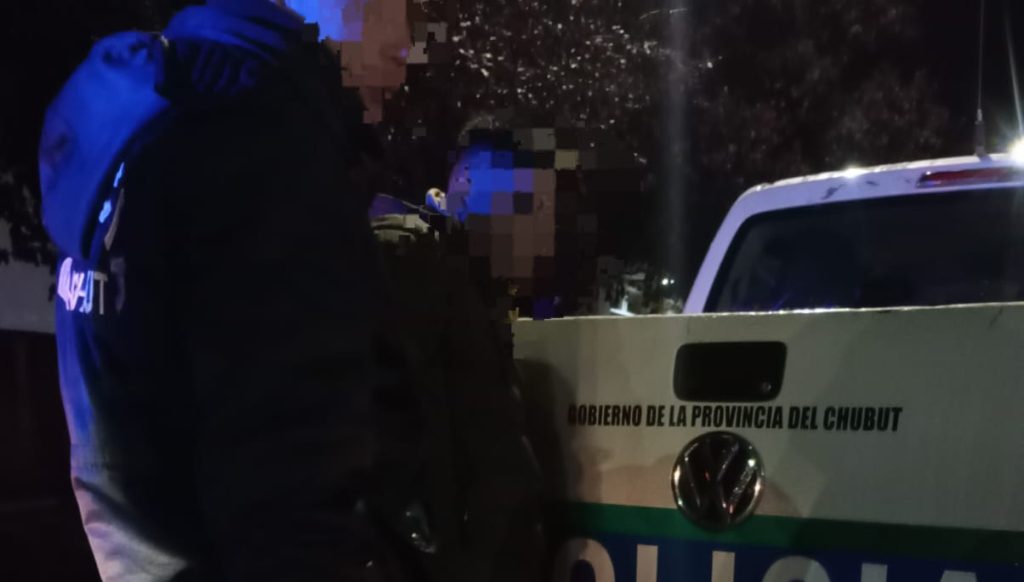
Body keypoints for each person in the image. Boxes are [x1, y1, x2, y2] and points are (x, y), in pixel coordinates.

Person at [38, 0, 421, 579]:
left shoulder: (149, 118)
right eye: (386, 8)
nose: (404, 45)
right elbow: (290, 488)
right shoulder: (264, 143)